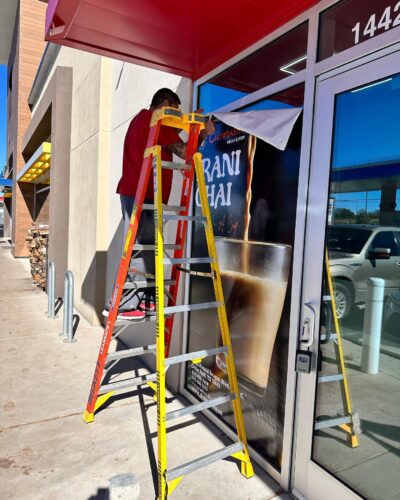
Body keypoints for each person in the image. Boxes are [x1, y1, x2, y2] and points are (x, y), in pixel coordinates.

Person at [106, 88, 214, 320]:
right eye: (176, 111)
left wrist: (191, 125)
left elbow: (172, 136)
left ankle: (143, 300)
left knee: (144, 247)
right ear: (165, 104)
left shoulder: (144, 120)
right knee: (140, 248)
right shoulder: (154, 120)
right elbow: (185, 152)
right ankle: (126, 303)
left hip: (138, 192)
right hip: (143, 194)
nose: (176, 117)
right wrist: (202, 134)